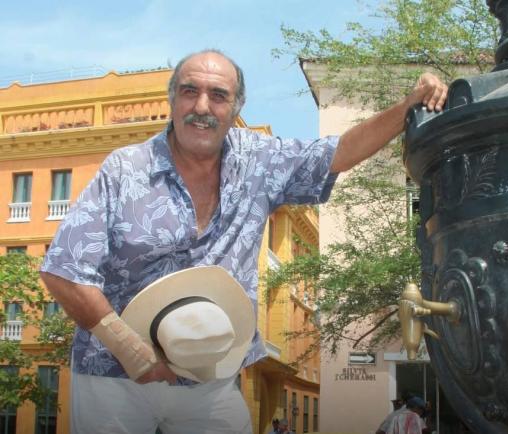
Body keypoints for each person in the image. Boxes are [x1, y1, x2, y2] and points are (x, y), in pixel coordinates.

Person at [40, 48, 448, 434]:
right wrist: (132, 351)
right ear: (172, 100)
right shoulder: (124, 170)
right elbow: (63, 269)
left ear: (236, 107)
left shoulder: (259, 161)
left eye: (218, 95)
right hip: (114, 374)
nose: (202, 107)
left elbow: (337, 153)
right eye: (190, 91)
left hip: (209, 374)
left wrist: (408, 106)